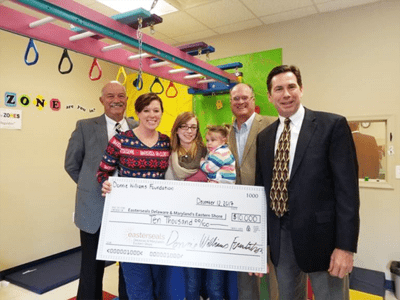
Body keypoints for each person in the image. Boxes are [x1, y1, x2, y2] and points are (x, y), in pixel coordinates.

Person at [255, 65, 360, 299]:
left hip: (324, 241)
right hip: (281, 240)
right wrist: (258, 247)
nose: (286, 94)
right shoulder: (264, 138)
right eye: (279, 89)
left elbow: (348, 192)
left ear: (301, 89)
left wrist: (345, 247)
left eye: (291, 87)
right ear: (270, 96)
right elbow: (261, 193)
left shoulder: (331, 126)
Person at [65, 81, 137, 300]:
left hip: (128, 210)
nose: (116, 100)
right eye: (110, 96)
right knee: (91, 266)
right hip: (93, 209)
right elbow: (71, 164)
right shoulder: (85, 126)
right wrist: (92, 187)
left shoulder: (137, 127)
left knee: (129, 266)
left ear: (127, 99)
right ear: (102, 100)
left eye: (121, 96)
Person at [97, 93, 170, 299]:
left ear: (162, 113)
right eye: (146, 110)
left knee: (159, 280)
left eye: (156, 110)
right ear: (137, 113)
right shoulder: (120, 141)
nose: (152, 115)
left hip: (158, 223)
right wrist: (106, 184)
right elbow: (102, 171)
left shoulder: (166, 142)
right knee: (138, 283)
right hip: (129, 224)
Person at [228, 83, 278, 299]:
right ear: (231, 102)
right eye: (236, 99)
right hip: (237, 213)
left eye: (245, 98)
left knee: (277, 271)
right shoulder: (225, 131)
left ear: (254, 100)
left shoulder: (271, 124)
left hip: (270, 209)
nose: (240, 102)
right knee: (245, 272)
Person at [165, 112, 211, 299]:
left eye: (193, 127)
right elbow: (169, 187)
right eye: (184, 126)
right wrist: (198, 177)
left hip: (206, 217)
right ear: (176, 129)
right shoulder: (169, 153)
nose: (189, 131)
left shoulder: (206, 150)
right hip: (182, 219)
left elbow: (215, 177)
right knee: (190, 271)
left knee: (209, 269)